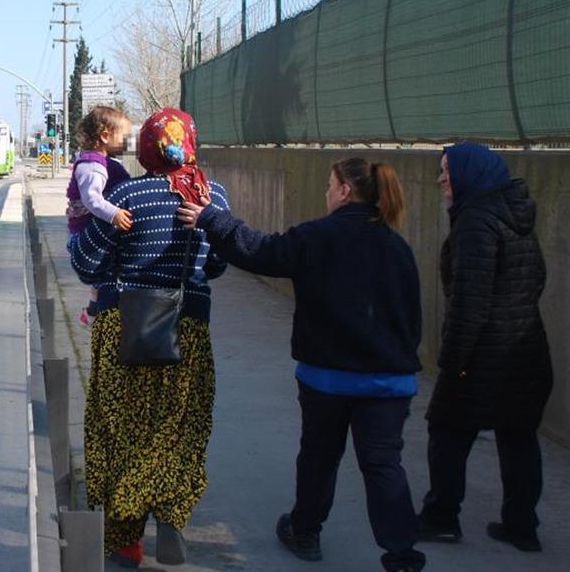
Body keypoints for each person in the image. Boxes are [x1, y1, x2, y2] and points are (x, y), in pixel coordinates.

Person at [177, 157, 427, 572]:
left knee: (319, 455)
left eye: (330, 185)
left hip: (329, 379)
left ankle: (305, 531)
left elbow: (260, 251)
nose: (327, 192)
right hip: (389, 383)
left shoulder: (318, 237)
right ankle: (402, 555)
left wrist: (211, 219)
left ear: (345, 189)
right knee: (383, 464)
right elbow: (412, 318)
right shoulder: (396, 246)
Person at [71, 108, 229, 569]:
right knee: (178, 428)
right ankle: (173, 517)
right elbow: (216, 266)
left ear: (147, 147)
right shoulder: (213, 195)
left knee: (120, 429)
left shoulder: (126, 194)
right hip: (189, 327)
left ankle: (125, 542)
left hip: (127, 327)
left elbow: (86, 264)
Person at [418, 142, 552, 552]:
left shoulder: (476, 222)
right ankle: (521, 526)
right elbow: (538, 278)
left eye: (447, 171)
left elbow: (468, 303)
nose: (441, 179)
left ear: (469, 175)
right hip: (525, 353)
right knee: (518, 437)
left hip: (482, 358)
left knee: (447, 432)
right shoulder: (515, 215)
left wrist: (452, 360)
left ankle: (441, 517)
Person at [65, 106, 133, 327]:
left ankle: (93, 309)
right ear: (105, 136)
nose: (128, 142)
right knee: (103, 273)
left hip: (88, 230)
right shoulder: (92, 165)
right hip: (85, 233)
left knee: (102, 276)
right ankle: (96, 311)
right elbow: (92, 200)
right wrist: (114, 214)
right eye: (125, 137)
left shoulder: (102, 162)